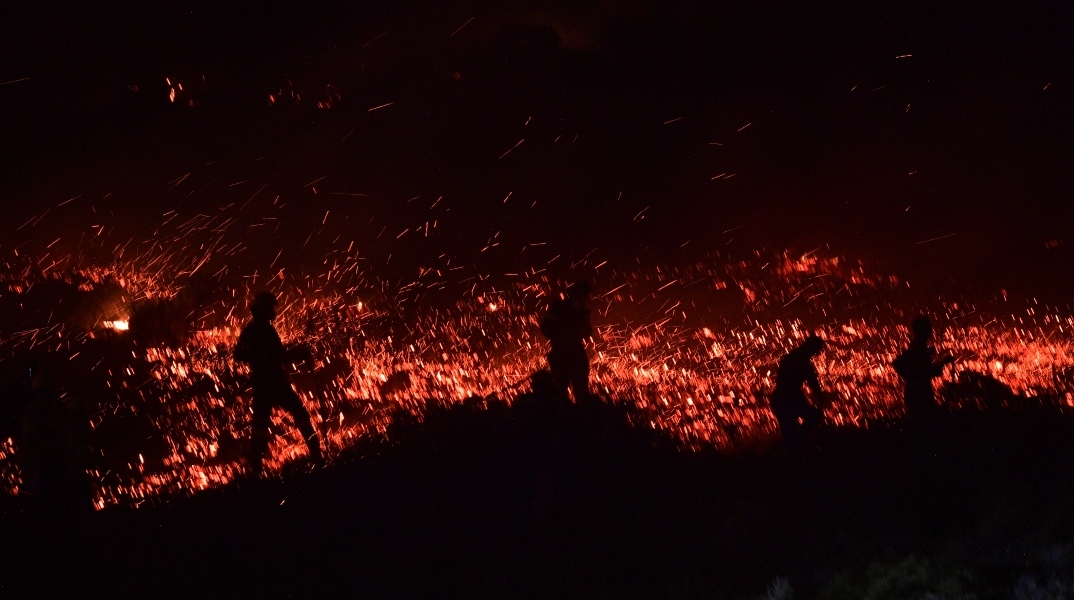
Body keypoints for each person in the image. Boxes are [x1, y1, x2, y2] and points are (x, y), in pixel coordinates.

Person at [233, 292, 322, 476]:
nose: (274, 311)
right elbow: (277, 356)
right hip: (274, 381)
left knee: (260, 424)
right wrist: (298, 354)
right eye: (272, 308)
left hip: (261, 382)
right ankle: (316, 456)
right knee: (299, 414)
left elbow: (240, 354)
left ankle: (255, 467)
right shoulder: (263, 330)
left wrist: (258, 355)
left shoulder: (252, 330)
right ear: (265, 310)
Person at [893, 316, 954, 423]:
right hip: (921, 395)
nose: (931, 330)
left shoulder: (919, 347)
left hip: (916, 394)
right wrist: (944, 362)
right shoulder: (918, 348)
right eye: (928, 328)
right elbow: (927, 371)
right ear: (923, 330)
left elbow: (900, 363)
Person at [770, 335, 829, 447]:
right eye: (816, 350)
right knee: (814, 417)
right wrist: (819, 394)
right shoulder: (801, 361)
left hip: (781, 398)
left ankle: (792, 447)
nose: (816, 353)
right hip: (789, 398)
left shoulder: (790, 358)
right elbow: (812, 380)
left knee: (789, 433)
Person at [539, 280, 594, 401]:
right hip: (563, 354)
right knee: (563, 393)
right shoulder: (559, 307)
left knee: (578, 391)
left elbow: (587, 331)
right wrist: (561, 339)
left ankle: (574, 414)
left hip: (572, 353)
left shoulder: (583, 311)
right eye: (585, 294)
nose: (587, 298)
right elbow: (545, 327)